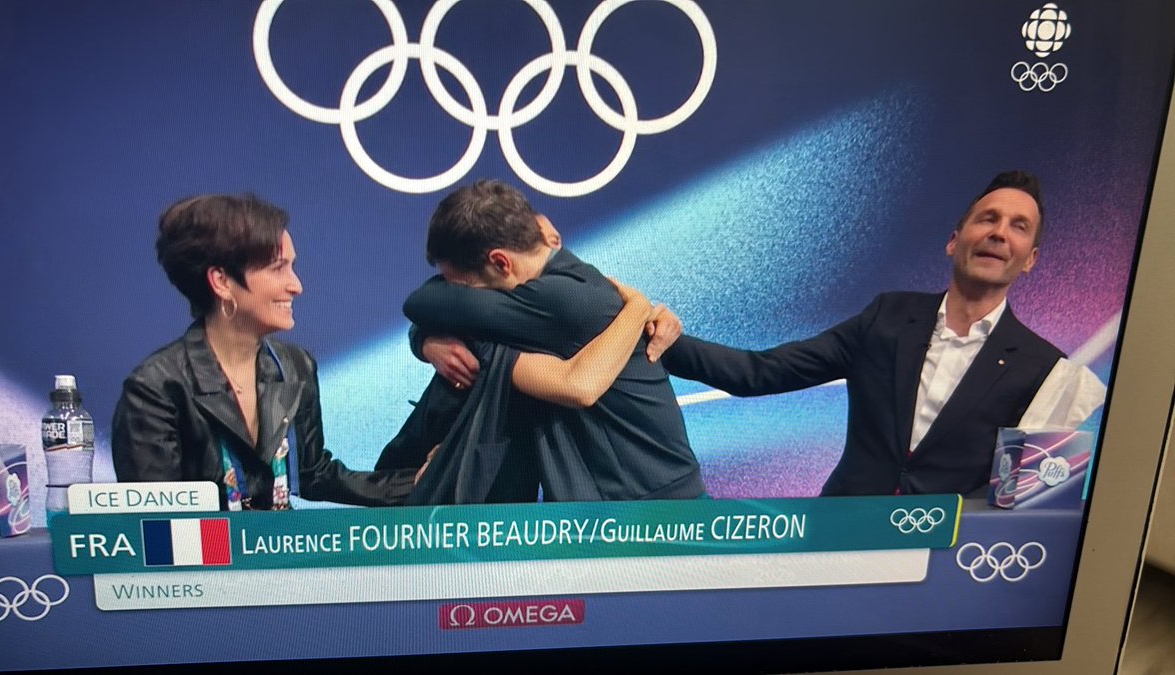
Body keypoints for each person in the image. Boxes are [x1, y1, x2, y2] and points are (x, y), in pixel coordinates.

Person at [113, 194, 660, 510]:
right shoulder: (157, 387)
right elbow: (151, 530)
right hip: (196, 596)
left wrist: (425, 480)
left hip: (272, 581)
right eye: (279, 268)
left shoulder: (295, 367)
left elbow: (319, 475)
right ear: (222, 282)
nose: (297, 285)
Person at [659, 170, 1104, 496]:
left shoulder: (1046, 369)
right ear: (955, 240)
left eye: (1018, 227)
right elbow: (759, 373)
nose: (999, 234)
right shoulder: (887, 316)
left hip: (940, 569)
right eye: (987, 219)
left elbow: (1024, 506)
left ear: (1030, 259)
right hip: (838, 539)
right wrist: (661, 340)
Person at [401, 180, 706, 501]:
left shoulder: (567, 302)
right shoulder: (521, 313)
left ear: (501, 262)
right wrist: (426, 339)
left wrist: (639, 307)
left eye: (461, 288)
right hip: (616, 507)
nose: (462, 299)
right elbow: (424, 306)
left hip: (660, 510)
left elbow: (580, 386)